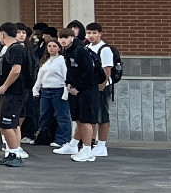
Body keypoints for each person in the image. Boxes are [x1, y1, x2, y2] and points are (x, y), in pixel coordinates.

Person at [62, 23, 104, 162]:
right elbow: (71, 70)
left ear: (72, 38)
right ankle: (75, 145)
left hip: (88, 89)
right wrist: (68, 83)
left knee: (86, 120)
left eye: (66, 37)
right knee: (79, 119)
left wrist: (78, 87)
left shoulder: (80, 50)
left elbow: (89, 72)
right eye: (61, 37)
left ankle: (87, 150)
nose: (63, 40)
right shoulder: (67, 51)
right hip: (76, 88)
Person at [0, 23, 32, 167]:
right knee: (12, 124)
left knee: (7, 124)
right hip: (12, 93)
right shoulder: (14, 49)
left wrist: (4, 86)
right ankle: (11, 152)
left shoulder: (15, 49)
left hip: (14, 92)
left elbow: (16, 70)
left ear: (2, 34)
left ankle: (15, 153)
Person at [31, 34, 72, 148]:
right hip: (45, 90)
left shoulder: (62, 60)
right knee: (44, 115)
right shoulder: (46, 61)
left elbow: (66, 76)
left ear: (59, 48)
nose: (51, 48)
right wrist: (36, 88)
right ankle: (42, 136)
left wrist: (65, 92)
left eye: (54, 46)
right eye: (49, 46)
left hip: (58, 90)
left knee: (61, 116)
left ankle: (62, 139)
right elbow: (40, 76)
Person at [87, 22, 117, 157]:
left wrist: (101, 87)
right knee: (92, 115)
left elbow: (107, 71)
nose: (91, 36)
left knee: (102, 116)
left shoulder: (104, 49)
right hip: (91, 86)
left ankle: (102, 145)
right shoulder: (87, 48)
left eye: (94, 33)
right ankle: (91, 142)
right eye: (89, 33)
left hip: (101, 87)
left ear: (100, 34)